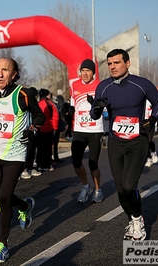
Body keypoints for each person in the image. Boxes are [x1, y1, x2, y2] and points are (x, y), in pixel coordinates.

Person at [0, 57, 45, 263]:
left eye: (5, 70)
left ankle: (2, 244)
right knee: (0, 198)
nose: (0, 74)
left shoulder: (22, 94)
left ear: (14, 74)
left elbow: (39, 116)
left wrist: (33, 129)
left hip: (15, 153)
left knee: (4, 197)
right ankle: (24, 206)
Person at [90, 49, 158, 241]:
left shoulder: (141, 84)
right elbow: (94, 114)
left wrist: (152, 119)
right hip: (115, 142)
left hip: (137, 142)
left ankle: (137, 220)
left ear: (127, 63)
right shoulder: (103, 87)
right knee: (121, 188)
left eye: (117, 63)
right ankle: (132, 219)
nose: (113, 67)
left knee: (130, 186)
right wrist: (97, 107)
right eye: (110, 63)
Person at [70, 59, 104, 203]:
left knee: (93, 163)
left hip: (95, 129)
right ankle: (86, 186)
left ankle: (98, 190)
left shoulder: (100, 85)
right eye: (83, 70)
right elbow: (73, 104)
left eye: (88, 71)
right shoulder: (75, 84)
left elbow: (106, 106)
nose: (85, 73)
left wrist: (95, 104)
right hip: (79, 129)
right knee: (76, 162)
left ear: (93, 73)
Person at [20, 86, 42, 179]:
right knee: (24, 151)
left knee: (32, 150)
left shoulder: (34, 105)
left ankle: (29, 167)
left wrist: (36, 125)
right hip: (23, 130)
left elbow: (39, 116)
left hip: (32, 130)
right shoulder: (23, 102)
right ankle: (22, 169)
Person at [36, 88, 58, 172]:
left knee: (40, 148)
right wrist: (55, 128)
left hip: (39, 129)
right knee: (48, 148)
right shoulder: (50, 104)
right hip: (49, 128)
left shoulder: (38, 104)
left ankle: (39, 165)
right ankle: (47, 164)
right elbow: (55, 117)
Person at [144, 100, 158, 167]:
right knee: (145, 141)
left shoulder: (150, 100)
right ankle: (148, 158)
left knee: (149, 140)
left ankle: (153, 152)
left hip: (151, 123)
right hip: (142, 123)